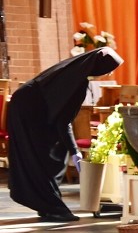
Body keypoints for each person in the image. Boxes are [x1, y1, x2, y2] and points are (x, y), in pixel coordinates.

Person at [7, 47, 123, 222]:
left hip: (27, 107)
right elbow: (63, 121)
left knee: (47, 156)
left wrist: (71, 148)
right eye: (109, 69)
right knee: (42, 157)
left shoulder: (72, 73)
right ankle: (53, 208)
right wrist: (75, 150)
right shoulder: (76, 82)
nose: (109, 74)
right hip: (28, 111)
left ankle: (47, 206)